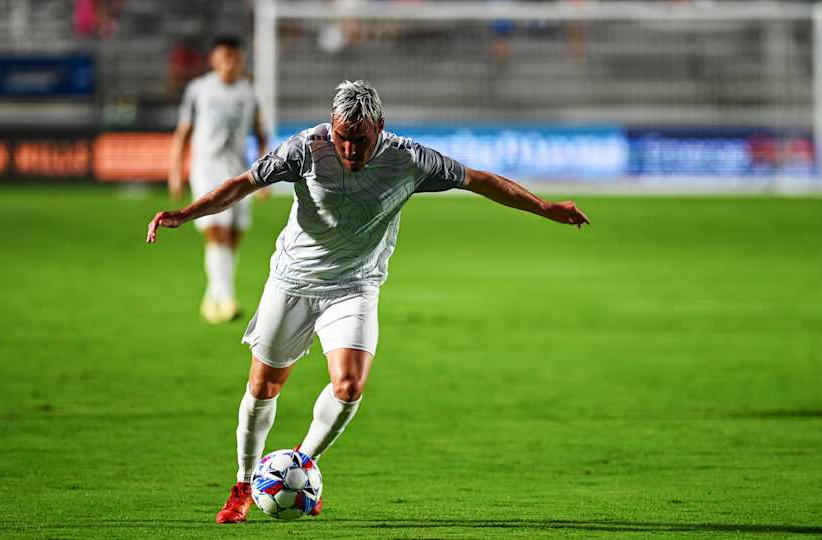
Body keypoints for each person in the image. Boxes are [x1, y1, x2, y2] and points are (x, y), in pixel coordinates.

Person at [147, 80, 590, 524]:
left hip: (355, 287)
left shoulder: (408, 159)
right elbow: (244, 182)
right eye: (342, 137)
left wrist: (545, 207)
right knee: (263, 387)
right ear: (331, 125)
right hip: (292, 282)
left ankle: (300, 466)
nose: (349, 148)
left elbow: (480, 181)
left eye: (359, 139)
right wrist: (186, 213)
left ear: (380, 126)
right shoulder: (305, 148)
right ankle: (244, 484)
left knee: (349, 386)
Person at [168, 35, 269, 324]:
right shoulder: (199, 90)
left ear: (242, 60)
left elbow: (261, 134)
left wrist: (265, 177)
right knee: (218, 231)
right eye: (225, 58)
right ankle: (226, 299)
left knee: (234, 235)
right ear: (214, 60)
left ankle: (213, 296)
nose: (230, 63)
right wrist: (175, 173)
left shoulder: (249, 93)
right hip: (207, 167)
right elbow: (183, 133)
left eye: (235, 58)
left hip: (238, 170)